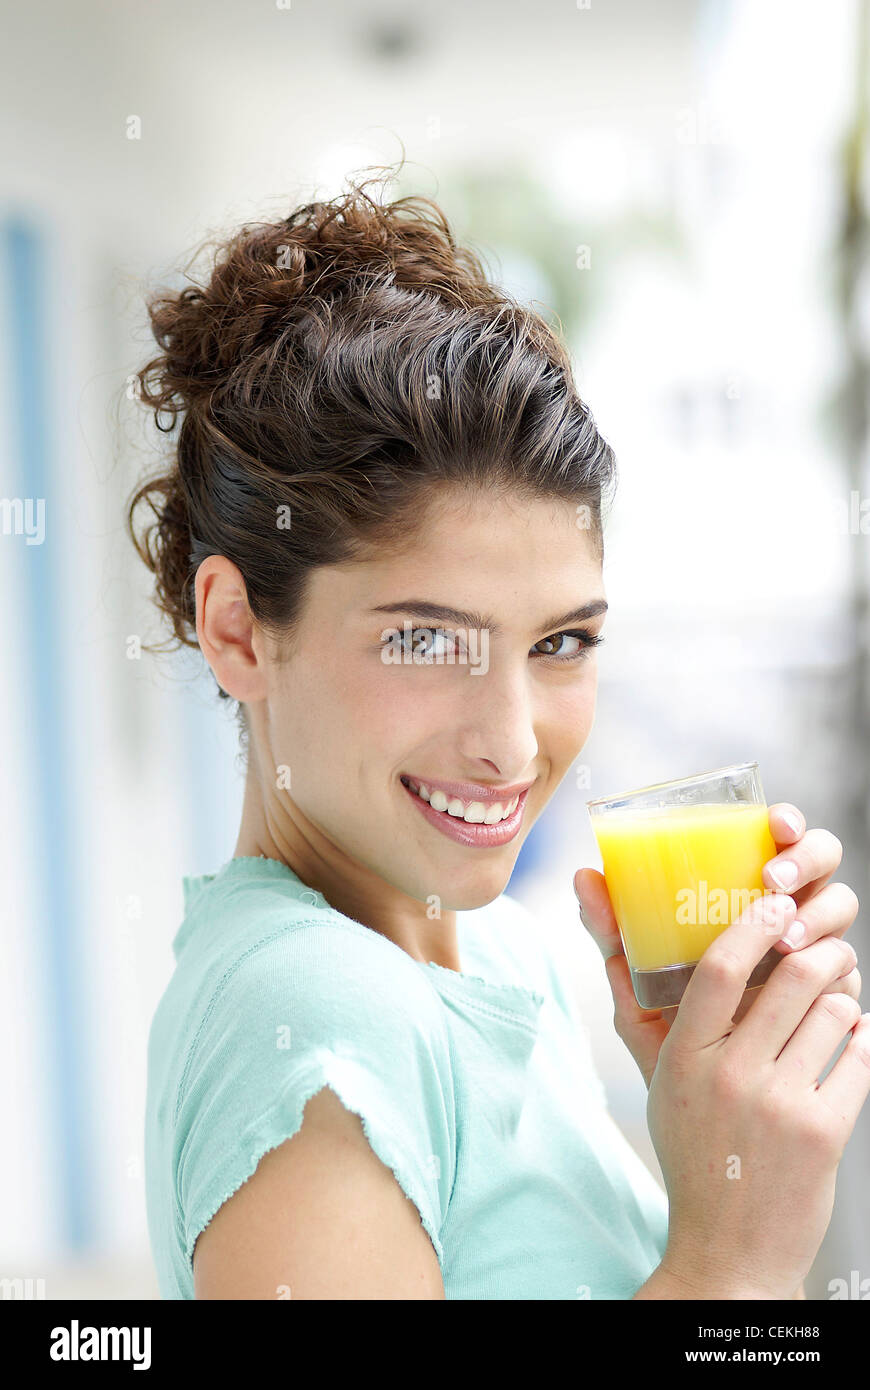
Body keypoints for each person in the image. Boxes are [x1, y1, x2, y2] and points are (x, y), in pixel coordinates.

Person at [130, 160, 868, 1300]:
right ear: (237, 629)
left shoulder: (493, 953)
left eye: (560, 642)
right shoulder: (317, 1012)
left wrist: (702, 1104)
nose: (516, 747)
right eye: (428, 641)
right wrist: (736, 1261)